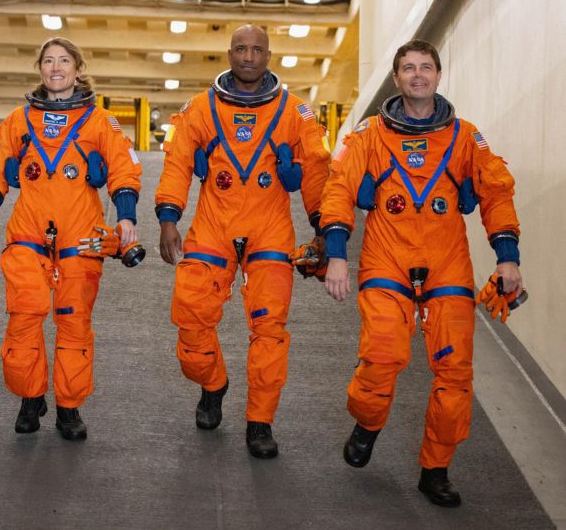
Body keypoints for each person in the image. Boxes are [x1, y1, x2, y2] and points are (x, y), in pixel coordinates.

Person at [320, 40, 523, 506]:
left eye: (425, 67)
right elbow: (339, 188)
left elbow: (495, 192)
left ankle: (436, 469)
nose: (417, 75)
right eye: (408, 68)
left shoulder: (465, 137)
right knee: (382, 356)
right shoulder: (370, 135)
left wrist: (507, 256)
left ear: (437, 75)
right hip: (386, 259)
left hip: (446, 263)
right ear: (396, 78)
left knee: (455, 373)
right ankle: (368, 423)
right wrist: (336, 253)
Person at [155, 25, 330, 459]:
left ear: (269, 56)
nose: (248, 56)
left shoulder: (296, 112)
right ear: (229, 53)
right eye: (240, 49)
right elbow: (177, 163)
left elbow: (316, 169)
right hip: (213, 225)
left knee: (269, 330)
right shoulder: (200, 108)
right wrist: (168, 217)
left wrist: (323, 227)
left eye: (257, 49)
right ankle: (213, 384)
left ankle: (260, 421)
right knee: (191, 319)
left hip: (269, 228)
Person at [0, 37, 142, 441]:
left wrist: (126, 217)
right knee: (24, 315)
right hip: (28, 233)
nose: (55, 68)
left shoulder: (100, 122)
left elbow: (123, 169)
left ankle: (69, 406)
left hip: (81, 237)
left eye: (64, 60)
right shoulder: (19, 120)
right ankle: (30, 397)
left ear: (78, 69)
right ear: (39, 68)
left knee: (73, 323)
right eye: (48, 61)